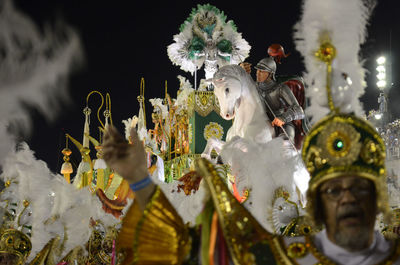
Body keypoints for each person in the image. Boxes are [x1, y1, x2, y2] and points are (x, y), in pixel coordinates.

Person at [103, 112, 400, 264]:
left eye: (358, 189)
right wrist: (140, 180)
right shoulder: (288, 249)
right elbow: (181, 247)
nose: (346, 200)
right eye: (334, 190)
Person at [241, 56, 305, 144]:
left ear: (270, 74)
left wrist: (283, 118)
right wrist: (241, 71)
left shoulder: (280, 88)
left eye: (262, 71)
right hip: (260, 122)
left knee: (285, 145)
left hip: (281, 125)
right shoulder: (253, 87)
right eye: (257, 70)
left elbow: (299, 110)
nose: (257, 73)